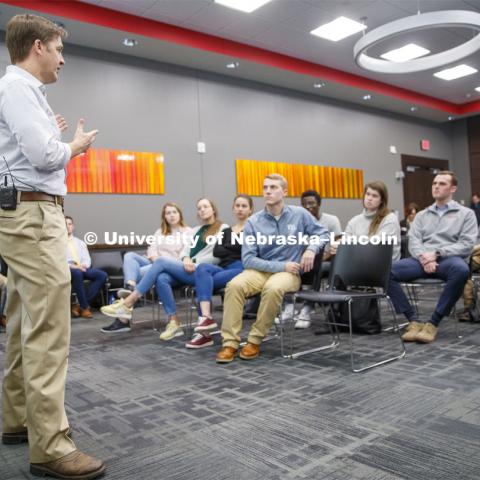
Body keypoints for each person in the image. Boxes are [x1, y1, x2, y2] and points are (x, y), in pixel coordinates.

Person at [0, 14, 104, 480]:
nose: (63, 58)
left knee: (25, 317)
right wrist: (75, 146)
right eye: (59, 49)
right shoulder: (17, 88)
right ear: (38, 46)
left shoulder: (22, 93)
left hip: (22, 211)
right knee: (48, 328)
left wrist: (54, 139)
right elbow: (44, 157)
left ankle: (19, 418)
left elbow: (33, 151)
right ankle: (51, 445)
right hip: (31, 214)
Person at [216, 174, 329, 363]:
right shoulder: (254, 221)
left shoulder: (299, 214)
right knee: (234, 285)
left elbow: (323, 233)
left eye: (273, 187)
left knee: (273, 288)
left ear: (284, 192)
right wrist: (280, 265)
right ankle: (230, 343)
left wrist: (311, 249)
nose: (268, 191)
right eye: (265, 187)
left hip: (289, 273)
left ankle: (254, 340)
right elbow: (248, 259)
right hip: (261, 270)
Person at [100, 198, 228, 338]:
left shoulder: (223, 228)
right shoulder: (196, 230)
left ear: (213, 209)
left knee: (160, 262)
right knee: (161, 278)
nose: (202, 210)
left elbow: (218, 256)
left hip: (202, 271)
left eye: (205, 207)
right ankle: (173, 323)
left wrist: (193, 261)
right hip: (185, 267)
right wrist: (185, 259)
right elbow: (185, 251)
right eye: (199, 208)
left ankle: (129, 301)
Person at [388, 171, 478, 344]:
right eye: (434, 183)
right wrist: (425, 258)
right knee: (386, 271)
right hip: (422, 259)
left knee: (461, 270)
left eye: (442, 183)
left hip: (448, 259)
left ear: (453, 188)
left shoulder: (466, 214)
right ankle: (413, 320)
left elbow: (466, 244)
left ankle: (433, 323)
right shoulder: (422, 215)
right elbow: (414, 242)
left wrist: (436, 253)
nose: (436, 186)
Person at [186, 194, 253, 349]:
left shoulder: (253, 229)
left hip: (241, 268)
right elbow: (217, 252)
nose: (240, 209)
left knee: (201, 285)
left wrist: (229, 247)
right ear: (233, 209)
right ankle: (207, 319)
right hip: (223, 268)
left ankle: (204, 334)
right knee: (202, 269)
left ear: (250, 210)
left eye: (244, 206)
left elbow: (245, 250)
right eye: (237, 206)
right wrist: (235, 247)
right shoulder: (227, 230)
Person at [120, 202, 190, 294]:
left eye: (174, 212)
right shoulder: (160, 231)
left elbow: (185, 254)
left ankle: (130, 286)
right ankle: (131, 285)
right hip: (154, 261)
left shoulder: (188, 232)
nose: (172, 215)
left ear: (179, 214)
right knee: (129, 255)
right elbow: (152, 249)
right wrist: (156, 260)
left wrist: (160, 263)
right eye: (168, 213)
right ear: (164, 217)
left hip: (170, 266)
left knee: (135, 272)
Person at [334, 181, 401, 261]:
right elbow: (345, 243)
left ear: (382, 200)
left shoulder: (390, 218)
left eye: (374, 196)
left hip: (384, 265)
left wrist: (349, 245)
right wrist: (338, 246)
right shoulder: (354, 221)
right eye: (368, 194)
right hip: (358, 262)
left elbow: (375, 247)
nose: (369, 198)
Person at [66, 216, 108, 319]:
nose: (67, 226)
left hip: (82, 268)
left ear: (73, 226)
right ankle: (85, 307)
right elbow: (58, 261)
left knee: (102, 275)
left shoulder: (80, 243)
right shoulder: (57, 243)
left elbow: (87, 259)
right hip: (67, 270)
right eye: (65, 224)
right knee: (77, 273)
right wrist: (74, 267)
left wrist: (83, 265)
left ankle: (80, 306)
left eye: (69, 224)